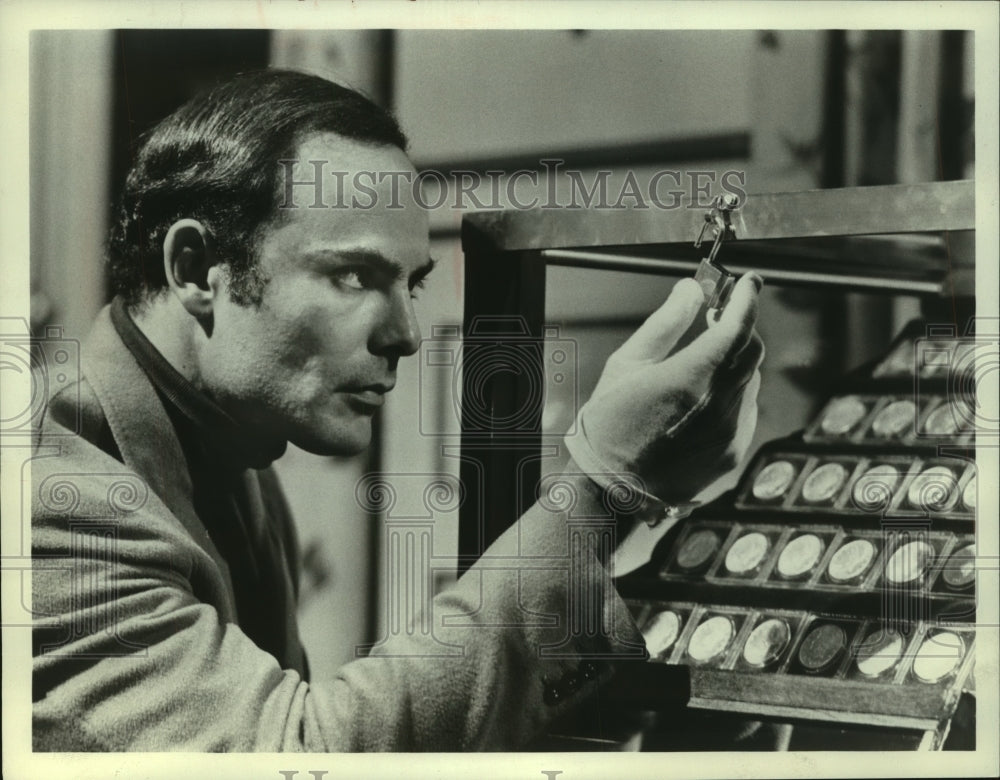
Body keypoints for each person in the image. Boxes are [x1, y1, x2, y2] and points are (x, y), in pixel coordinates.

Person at [30, 69, 764, 751]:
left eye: (409, 283)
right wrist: (600, 491)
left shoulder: (232, 458)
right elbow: (298, 754)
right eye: (355, 275)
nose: (406, 335)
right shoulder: (51, 497)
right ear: (196, 269)